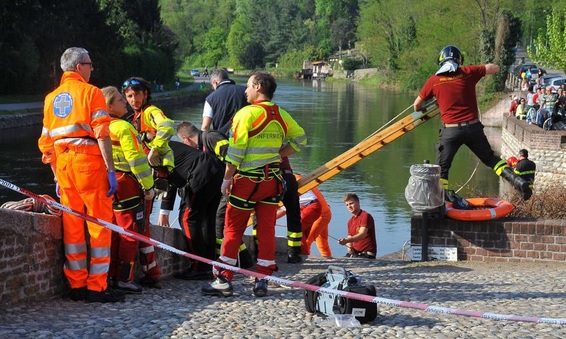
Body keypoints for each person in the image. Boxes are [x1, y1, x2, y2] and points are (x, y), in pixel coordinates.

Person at [201, 72, 307, 298]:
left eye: (248, 87)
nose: (245, 91)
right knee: (266, 230)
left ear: (258, 87)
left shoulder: (245, 114)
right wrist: (278, 154)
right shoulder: (281, 114)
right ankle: (262, 280)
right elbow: (300, 140)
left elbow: (236, 152)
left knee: (233, 229)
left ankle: (223, 279)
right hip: (272, 182)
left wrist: (227, 179)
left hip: (247, 182)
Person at [38, 47, 124, 303]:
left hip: (63, 166)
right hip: (89, 165)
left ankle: (76, 285)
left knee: (72, 225)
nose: (92, 68)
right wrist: (111, 170)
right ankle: (97, 286)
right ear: (79, 67)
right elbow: (102, 133)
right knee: (99, 224)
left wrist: (55, 175)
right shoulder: (91, 92)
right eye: (89, 64)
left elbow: (45, 143)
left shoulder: (50, 98)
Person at [413, 45, 532, 201]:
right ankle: (518, 181)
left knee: (442, 169)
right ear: (459, 60)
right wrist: (484, 67)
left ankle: (443, 201)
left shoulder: (434, 81)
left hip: (451, 132)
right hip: (473, 128)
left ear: (441, 62)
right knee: (491, 159)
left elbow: (417, 105)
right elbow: (494, 68)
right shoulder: (468, 72)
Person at [173, 121, 254, 269]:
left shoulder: (211, 138)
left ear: (185, 138)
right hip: (221, 185)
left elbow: (232, 158)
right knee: (215, 220)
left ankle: (238, 259)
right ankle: (228, 259)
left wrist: (230, 182)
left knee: (219, 220)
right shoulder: (204, 144)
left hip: (231, 184)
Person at [122, 76, 175, 289]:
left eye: (137, 95)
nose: (133, 99)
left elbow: (168, 126)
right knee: (142, 227)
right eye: (129, 96)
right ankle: (151, 272)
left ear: (146, 94)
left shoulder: (151, 112)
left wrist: (155, 147)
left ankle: (149, 273)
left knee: (140, 226)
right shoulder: (133, 117)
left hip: (151, 177)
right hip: (142, 177)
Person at [102, 86, 155, 294]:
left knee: (114, 231)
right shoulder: (124, 128)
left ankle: (111, 275)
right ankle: (125, 277)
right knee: (130, 232)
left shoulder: (98, 126)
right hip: (127, 184)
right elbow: (136, 160)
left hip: (108, 183)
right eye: (119, 100)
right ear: (109, 106)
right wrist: (148, 186)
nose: (125, 102)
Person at [159, 140, 224, 280]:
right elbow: (170, 178)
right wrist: (165, 210)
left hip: (200, 172)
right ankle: (208, 264)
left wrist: (164, 212)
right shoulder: (167, 144)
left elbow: (165, 179)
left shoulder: (155, 150)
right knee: (207, 218)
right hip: (216, 169)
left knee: (187, 218)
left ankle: (198, 266)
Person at [201, 69, 248, 135]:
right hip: (247, 138)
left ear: (215, 82)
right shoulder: (246, 91)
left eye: (212, 86)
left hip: (222, 141)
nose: (213, 89)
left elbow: (205, 127)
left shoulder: (210, 98)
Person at [338, 193, 377, 259]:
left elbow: (362, 234)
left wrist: (346, 240)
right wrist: (348, 246)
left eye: (351, 203)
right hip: (355, 254)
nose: (349, 206)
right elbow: (349, 237)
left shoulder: (365, 216)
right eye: (347, 205)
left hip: (367, 254)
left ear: (358, 203)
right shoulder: (350, 221)